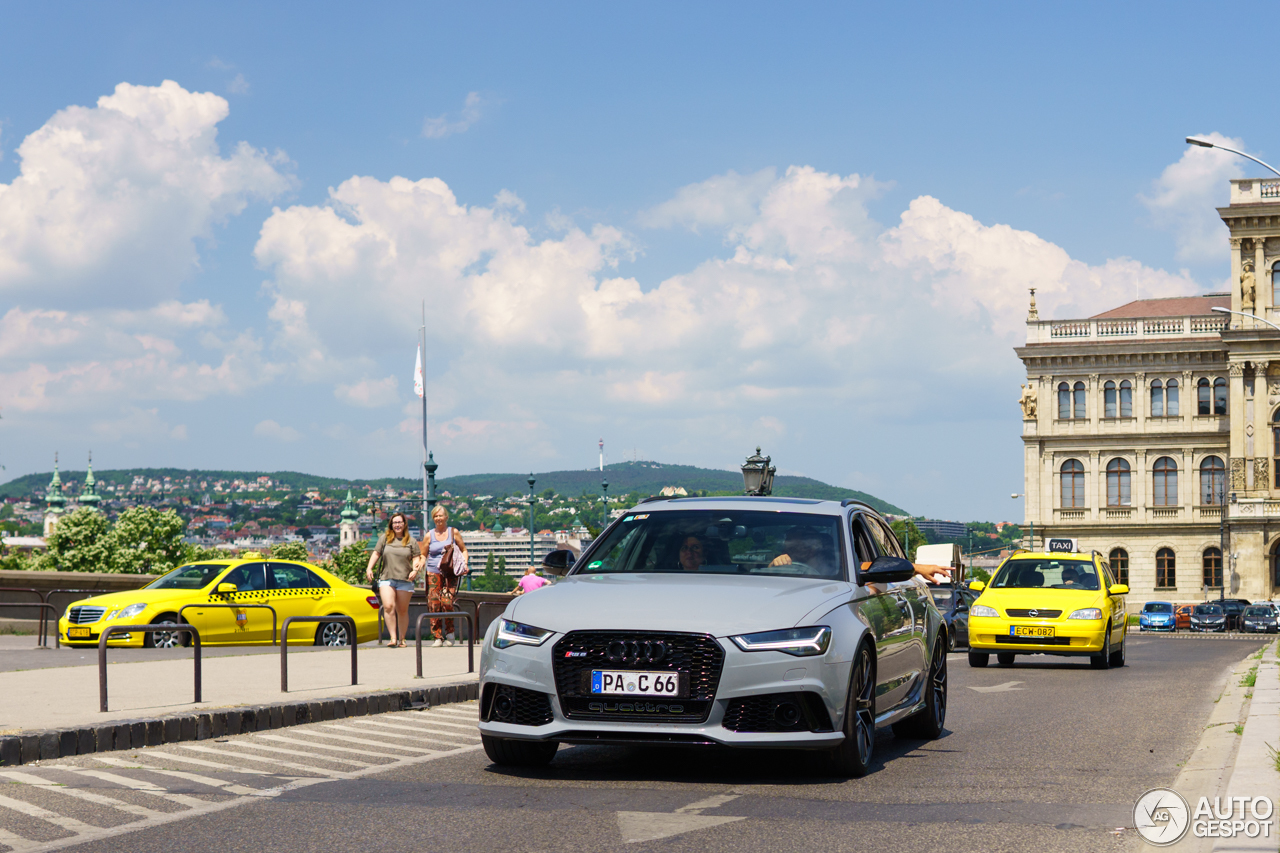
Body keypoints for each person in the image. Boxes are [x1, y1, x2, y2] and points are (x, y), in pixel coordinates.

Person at [365, 512, 420, 648]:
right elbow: (376, 553)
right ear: (391, 525)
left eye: (399, 522)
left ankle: (402, 639)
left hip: (405, 579)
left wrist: (415, 570)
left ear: (404, 524)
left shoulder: (411, 541)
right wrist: (369, 568)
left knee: (402, 610)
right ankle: (393, 638)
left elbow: (416, 557)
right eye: (394, 523)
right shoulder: (385, 538)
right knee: (389, 606)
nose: (397, 525)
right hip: (386, 577)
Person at [424, 506, 468, 647]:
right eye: (435, 516)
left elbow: (463, 549)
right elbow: (423, 554)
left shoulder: (453, 532)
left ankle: (450, 632)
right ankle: (437, 636)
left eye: (440, 516)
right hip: (433, 571)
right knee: (434, 603)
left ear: (446, 517)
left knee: (447, 601)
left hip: (450, 571)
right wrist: (418, 565)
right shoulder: (429, 535)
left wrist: (465, 564)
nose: (438, 519)